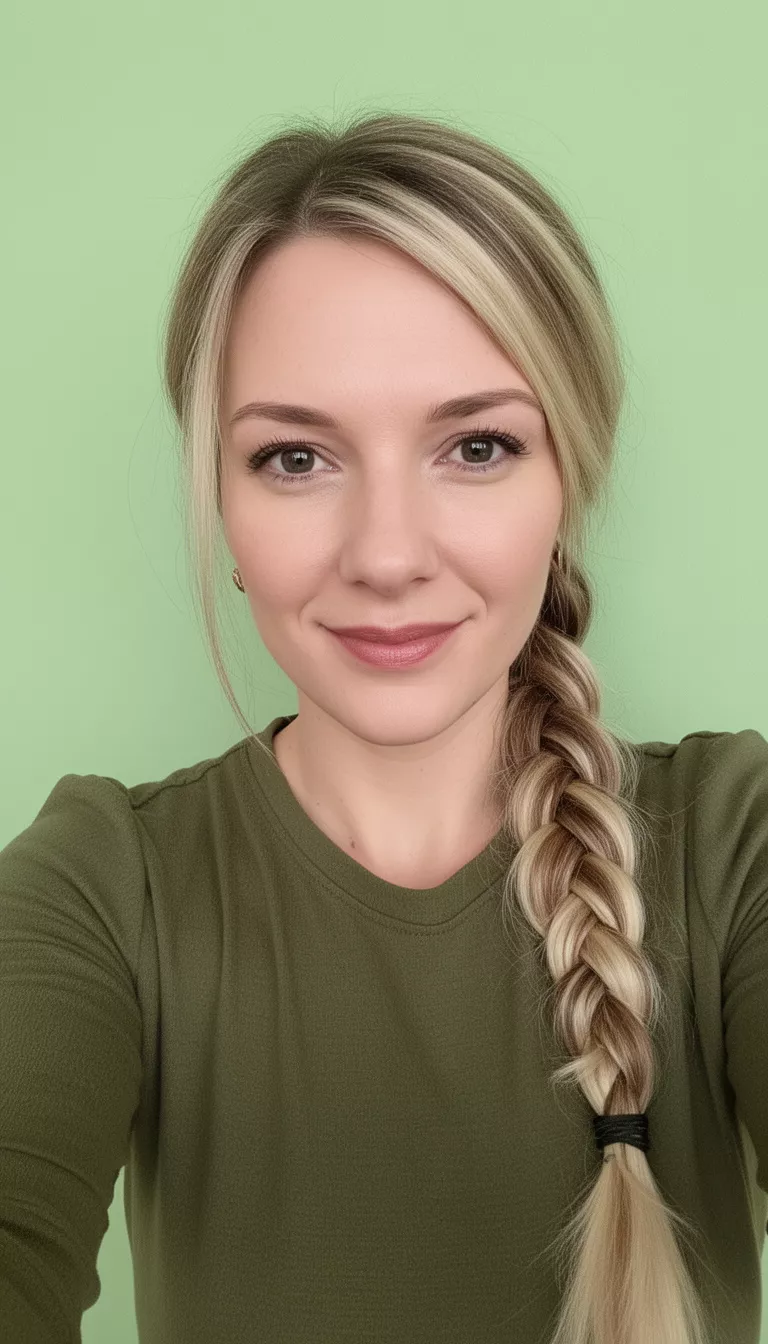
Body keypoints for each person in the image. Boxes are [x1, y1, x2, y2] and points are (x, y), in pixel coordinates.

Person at [1, 110, 767, 1344]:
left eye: (476, 445)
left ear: (565, 477)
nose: (389, 557)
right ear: (221, 499)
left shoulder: (735, 846)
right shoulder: (103, 885)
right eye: (297, 458)